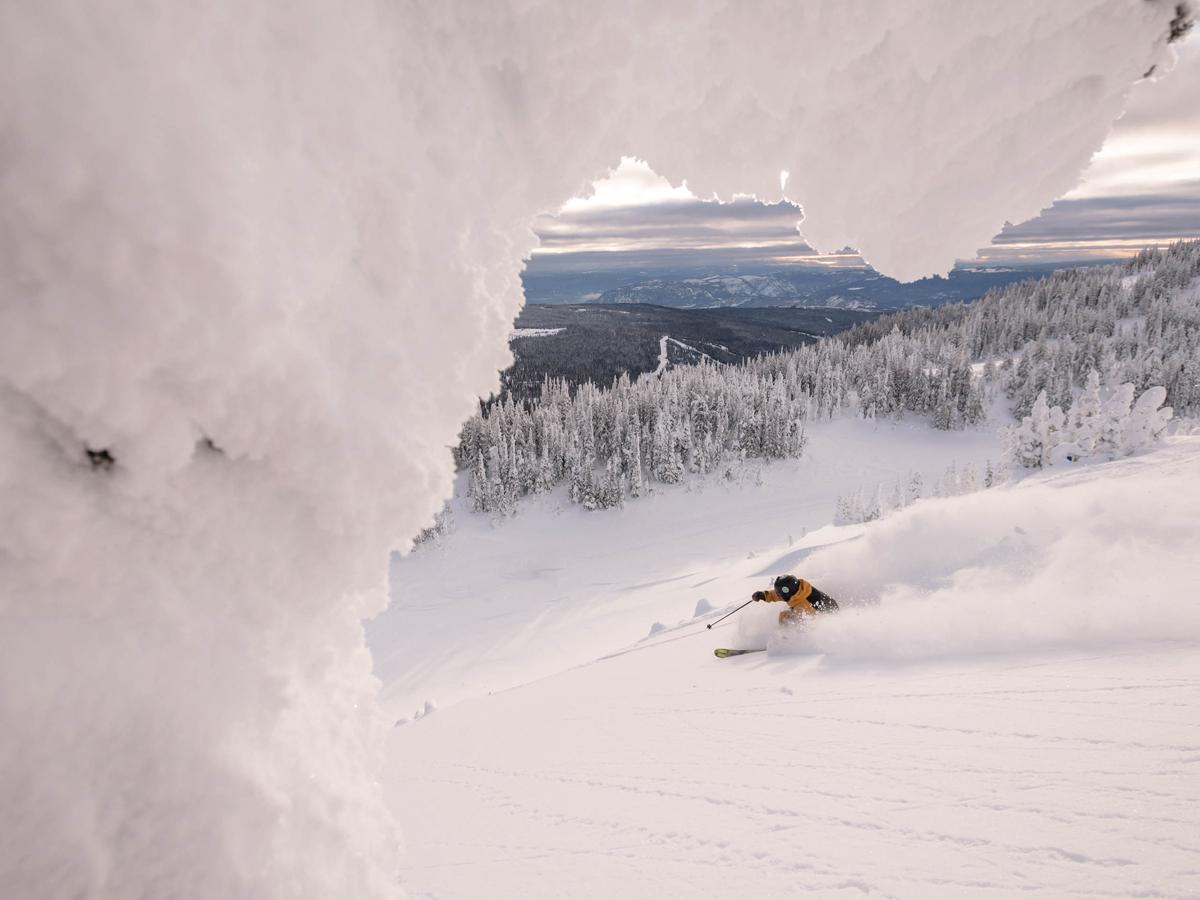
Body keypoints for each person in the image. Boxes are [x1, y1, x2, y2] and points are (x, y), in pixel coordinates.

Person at [753, 574, 839, 626]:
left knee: (786, 616)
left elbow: (810, 622)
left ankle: (786, 637)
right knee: (785, 615)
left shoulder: (804, 603)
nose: (778, 595)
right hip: (812, 609)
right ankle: (785, 634)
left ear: (788, 592)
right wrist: (762, 595)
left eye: (779, 593)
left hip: (826, 615)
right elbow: (777, 595)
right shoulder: (796, 591)